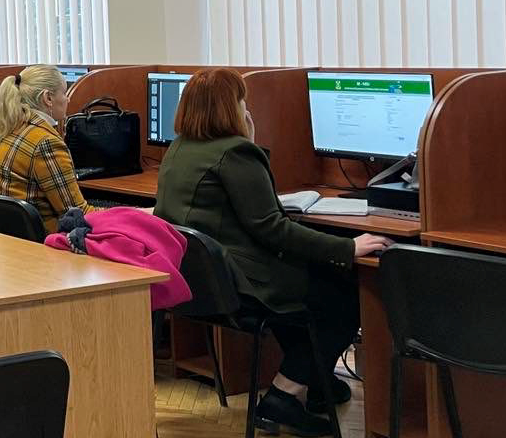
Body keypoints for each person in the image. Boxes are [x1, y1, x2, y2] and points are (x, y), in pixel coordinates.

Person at [154, 68, 393, 437]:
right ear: (230, 108)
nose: (246, 108)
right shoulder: (235, 152)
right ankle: (284, 394)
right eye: (241, 101)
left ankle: (314, 381)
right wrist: (347, 246)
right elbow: (273, 229)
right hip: (243, 283)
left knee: (312, 290)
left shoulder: (179, 149)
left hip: (203, 284)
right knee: (345, 295)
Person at [0, 64, 97, 233]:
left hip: (4, 238)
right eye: (64, 93)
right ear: (48, 98)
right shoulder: (45, 142)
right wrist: (130, 213)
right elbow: (77, 215)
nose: (68, 99)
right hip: (44, 241)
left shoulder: (0, 131)